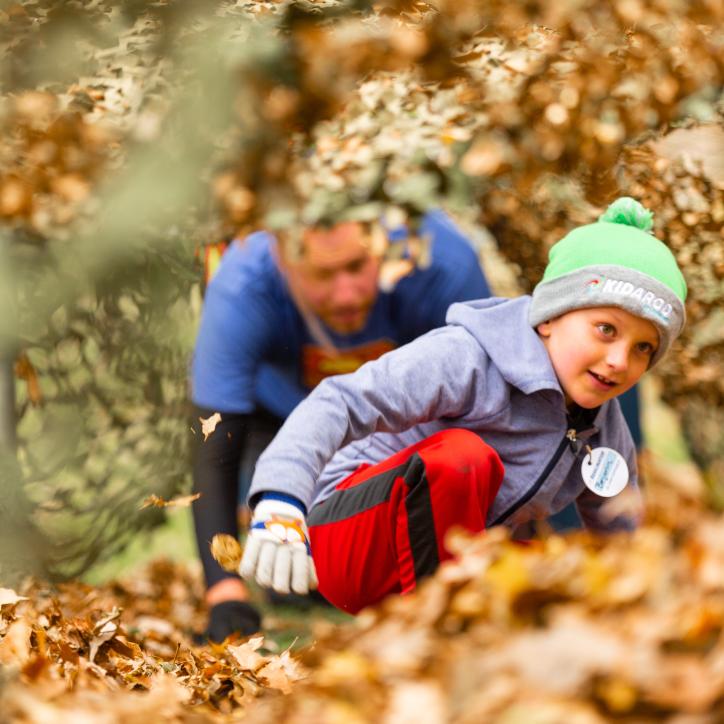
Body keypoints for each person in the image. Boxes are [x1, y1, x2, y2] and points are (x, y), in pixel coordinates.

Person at [239, 197, 687, 615]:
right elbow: (342, 401)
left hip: (448, 561)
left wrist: (639, 613)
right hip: (348, 540)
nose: (619, 361)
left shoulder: (603, 429)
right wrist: (281, 500)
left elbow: (620, 541)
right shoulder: (468, 357)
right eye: (606, 329)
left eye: (644, 348)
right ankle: (441, 635)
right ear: (550, 317)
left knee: (556, 575)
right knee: (463, 457)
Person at [190, 210, 492, 641]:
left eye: (356, 266)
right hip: (278, 419)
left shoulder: (441, 263)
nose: (347, 294)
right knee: (287, 567)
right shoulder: (242, 283)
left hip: (399, 422)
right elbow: (214, 441)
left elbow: (488, 413)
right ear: (283, 261)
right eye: (323, 274)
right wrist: (224, 592)